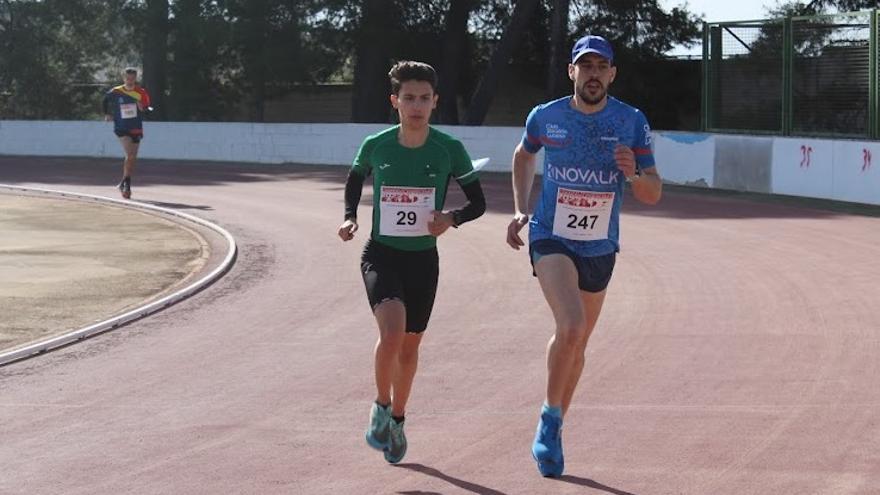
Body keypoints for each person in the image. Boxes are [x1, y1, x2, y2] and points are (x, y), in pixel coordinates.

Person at [505, 35, 663, 477]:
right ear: (572, 71)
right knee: (570, 324)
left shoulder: (631, 122)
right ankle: (549, 422)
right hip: (550, 236)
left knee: (577, 343)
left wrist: (633, 173)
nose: (593, 73)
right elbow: (523, 155)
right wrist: (521, 208)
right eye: (585, 65)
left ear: (611, 74)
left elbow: (653, 192)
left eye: (601, 66)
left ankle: (554, 418)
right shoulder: (546, 116)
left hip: (600, 246)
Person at [338, 61, 486, 464]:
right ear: (395, 102)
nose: (416, 105)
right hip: (381, 255)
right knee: (391, 332)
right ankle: (380, 408)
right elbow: (354, 179)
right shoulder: (376, 144)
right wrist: (350, 216)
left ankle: (398, 420)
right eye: (408, 98)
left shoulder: (448, 149)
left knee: (409, 346)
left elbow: (479, 202)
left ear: (435, 101)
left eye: (424, 98)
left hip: (423, 261)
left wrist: (449, 219)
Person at [102, 67, 151, 199]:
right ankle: (127, 185)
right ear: (124, 78)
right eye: (128, 79)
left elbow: (148, 108)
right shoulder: (117, 91)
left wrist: (143, 108)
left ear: (136, 78)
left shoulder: (141, 92)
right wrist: (107, 114)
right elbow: (105, 100)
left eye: (132, 79)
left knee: (132, 157)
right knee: (129, 154)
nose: (130, 81)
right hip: (121, 127)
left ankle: (123, 181)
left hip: (136, 127)